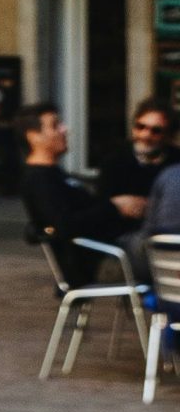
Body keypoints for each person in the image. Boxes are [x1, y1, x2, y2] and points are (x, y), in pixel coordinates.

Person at [19, 102, 133, 282]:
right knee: (161, 259)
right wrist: (114, 207)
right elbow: (64, 224)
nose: (65, 130)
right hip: (94, 262)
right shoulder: (40, 179)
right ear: (34, 137)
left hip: (107, 251)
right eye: (55, 126)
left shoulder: (54, 174)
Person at [99, 99, 173, 207]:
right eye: (141, 127)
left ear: (167, 135)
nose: (146, 135)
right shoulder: (114, 161)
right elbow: (101, 205)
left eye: (156, 131)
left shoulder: (176, 163)